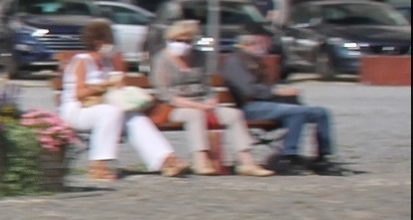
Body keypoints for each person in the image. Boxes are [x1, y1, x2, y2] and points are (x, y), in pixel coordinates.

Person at [56, 18, 179, 182]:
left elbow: (115, 91)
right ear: (99, 42)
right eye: (109, 41)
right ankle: (98, 165)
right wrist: (106, 84)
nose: (112, 46)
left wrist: (120, 81)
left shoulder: (108, 63)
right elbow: (79, 93)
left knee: (135, 118)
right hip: (77, 111)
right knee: (111, 112)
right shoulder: (82, 61)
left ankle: (165, 159)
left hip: (102, 108)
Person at [150, 19, 266, 175]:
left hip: (202, 101)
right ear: (170, 40)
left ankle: (246, 161)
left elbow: (207, 84)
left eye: (188, 41)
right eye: (179, 40)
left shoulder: (199, 57)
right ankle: (201, 160)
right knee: (195, 115)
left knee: (234, 114)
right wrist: (195, 105)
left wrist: (212, 99)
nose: (184, 44)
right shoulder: (162, 60)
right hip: (176, 106)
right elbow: (164, 93)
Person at [219, 30, 337, 172]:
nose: (265, 47)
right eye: (261, 43)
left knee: (320, 112)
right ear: (247, 44)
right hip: (249, 107)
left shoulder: (255, 60)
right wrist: (276, 91)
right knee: (296, 112)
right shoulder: (235, 61)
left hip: (268, 104)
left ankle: (324, 157)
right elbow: (248, 90)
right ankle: (288, 155)